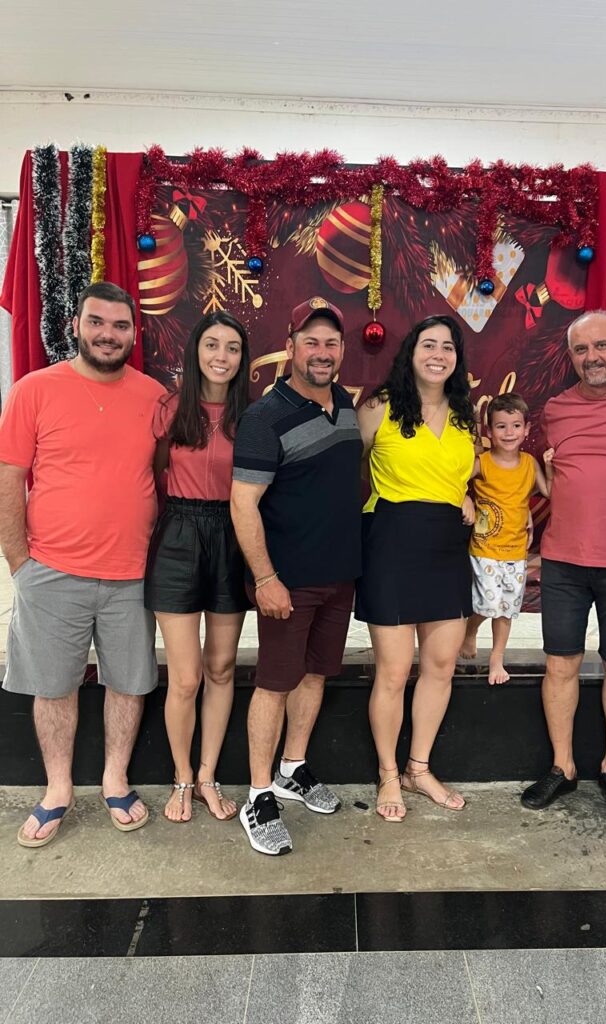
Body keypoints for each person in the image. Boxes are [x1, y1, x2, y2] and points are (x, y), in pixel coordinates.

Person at [0, 281, 164, 847]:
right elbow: (9, 478)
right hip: (51, 571)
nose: (108, 335)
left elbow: (164, 476)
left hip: (133, 574)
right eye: (97, 322)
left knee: (129, 683)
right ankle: (58, 789)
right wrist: (19, 563)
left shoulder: (154, 398)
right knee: (53, 686)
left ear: (134, 333)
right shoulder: (34, 390)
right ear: (76, 325)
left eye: (120, 326)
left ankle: (116, 779)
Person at [230, 297, 362, 856]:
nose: (321, 352)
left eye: (331, 342)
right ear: (290, 348)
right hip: (286, 580)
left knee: (315, 676)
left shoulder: (347, 406)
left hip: (338, 576)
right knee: (275, 683)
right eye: (311, 341)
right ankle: (258, 796)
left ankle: (292, 768)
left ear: (342, 350)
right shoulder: (265, 417)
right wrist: (265, 579)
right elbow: (243, 504)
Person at [521, 310, 606, 817]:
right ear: (571, 356)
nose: (592, 357)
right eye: (581, 349)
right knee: (559, 665)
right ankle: (562, 767)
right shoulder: (556, 410)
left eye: (601, 346)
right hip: (563, 562)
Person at [356, 314, 476, 822]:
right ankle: (388, 773)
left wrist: (466, 495)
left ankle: (418, 768)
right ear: (411, 352)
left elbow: (458, 473)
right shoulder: (378, 408)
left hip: (447, 546)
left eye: (448, 347)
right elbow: (344, 472)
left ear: (457, 359)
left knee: (440, 666)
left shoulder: (467, 416)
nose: (438, 354)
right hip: (392, 543)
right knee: (393, 670)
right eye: (429, 344)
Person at [144, 311, 251, 823]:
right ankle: (182, 777)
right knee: (185, 678)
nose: (221, 356)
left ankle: (208, 776)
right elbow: (152, 475)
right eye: (212, 345)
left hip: (232, 534)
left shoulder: (252, 417)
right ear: (195, 351)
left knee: (221, 667)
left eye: (232, 347)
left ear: (242, 358)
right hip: (179, 536)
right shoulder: (168, 409)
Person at [460, 392, 552, 684]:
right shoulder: (482, 462)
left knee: (507, 608)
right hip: (485, 548)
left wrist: (549, 466)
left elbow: (549, 492)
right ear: (489, 431)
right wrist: (465, 498)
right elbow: (453, 481)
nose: (509, 433)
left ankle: (496, 657)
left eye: (515, 426)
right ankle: (471, 630)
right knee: (488, 603)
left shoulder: (529, 463)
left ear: (526, 429)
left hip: (516, 551)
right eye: (501, 426)